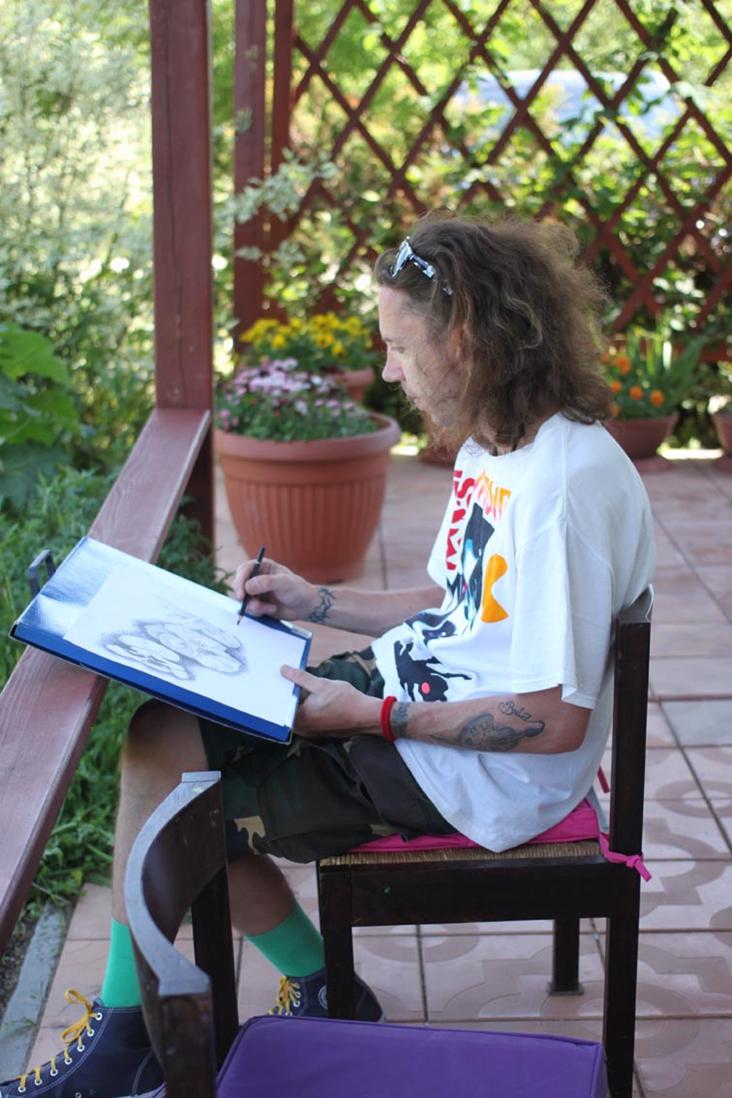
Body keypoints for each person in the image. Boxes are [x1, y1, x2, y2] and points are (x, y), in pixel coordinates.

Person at [1, 215, 654, 1098]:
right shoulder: (501, 442)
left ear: (466, 340)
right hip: (419, 693)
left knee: (182, 821)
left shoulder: (564, 488)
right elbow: (458, 603)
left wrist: (370, 716)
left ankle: (138, 1041)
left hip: (480, 772)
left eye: (400, 346)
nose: (389, 370)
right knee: (162, 736)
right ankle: (299, 993)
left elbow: (551, 720)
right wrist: (316, 603)